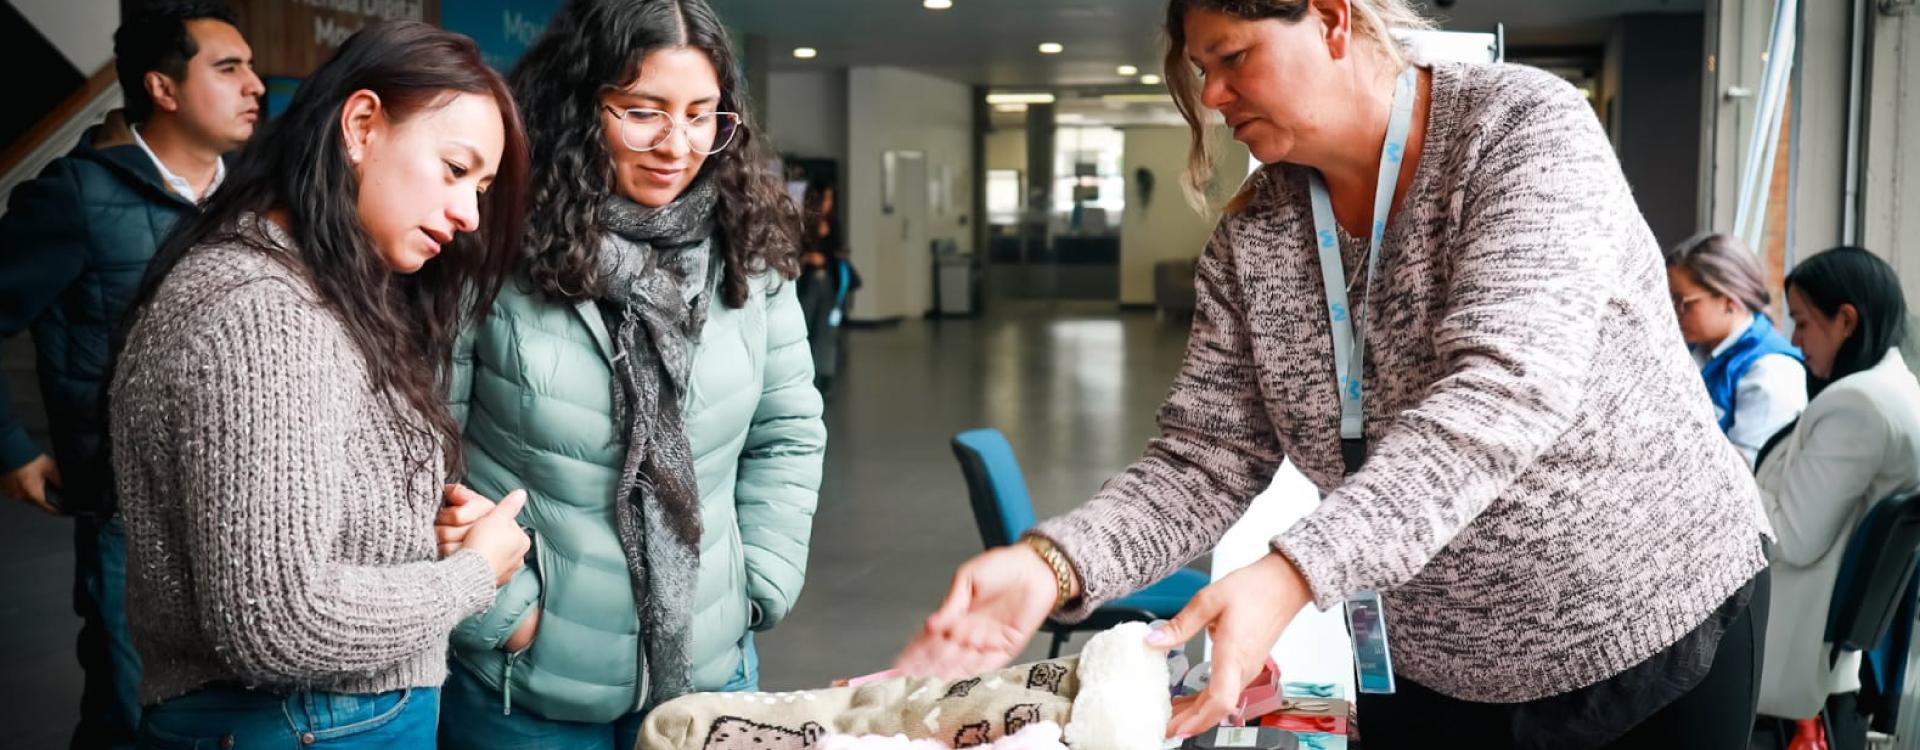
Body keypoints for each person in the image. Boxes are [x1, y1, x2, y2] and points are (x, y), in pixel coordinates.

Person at [896, 1, 1772, 748]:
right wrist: (1053, 564)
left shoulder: (1519, 130)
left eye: (1234, 57)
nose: (1212, 96)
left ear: (1332, 16)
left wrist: (1292, 571)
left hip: (1645, 619)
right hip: (1435, 654)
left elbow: (1503, 392)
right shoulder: (1258, 235)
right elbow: (1204, 458)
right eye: (1201, 70)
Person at [105, 21, 533, 747]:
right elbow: (276, 619)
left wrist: (411, 533)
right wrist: (473, 574)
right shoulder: (265, 312)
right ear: (362, 125)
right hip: (307, 723)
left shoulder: (308, 288)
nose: (468, 216)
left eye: (483, 189)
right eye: (456, 170)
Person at [433, 0, 826, 746]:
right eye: (643, 112)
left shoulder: (745, 249)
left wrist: (757, 587)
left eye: (703, 115)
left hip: (709, 672)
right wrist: (507, 619)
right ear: (582, 107)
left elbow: (788, 434)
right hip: (528, 686)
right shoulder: (488, 249)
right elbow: (424, 444)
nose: (677, 145)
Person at [0, 3, 261, 746]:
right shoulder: (76, 196)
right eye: (228, 67)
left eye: (249, 65)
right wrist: (11, 449)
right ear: (163, 88)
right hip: (123, 508)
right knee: (130, 710)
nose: (254, 86)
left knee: (218, 710)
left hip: (235, 500)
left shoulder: (254, 199)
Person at [1754, 247, 1919, 750]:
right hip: (1833, 658)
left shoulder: (1858, 404)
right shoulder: (1896, 390)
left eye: (1802, 322)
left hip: (1783, 636)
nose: (1795, 339)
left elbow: (1792, 538)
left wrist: (1721, 481)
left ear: (1846, 320)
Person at [1666, 232, 1807, 465]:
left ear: (1729, 300)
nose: (1674, 312)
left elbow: (1745, 474)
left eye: (1683, 303)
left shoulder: (1772, 372)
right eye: (1670, 301)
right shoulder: (1695, 348)